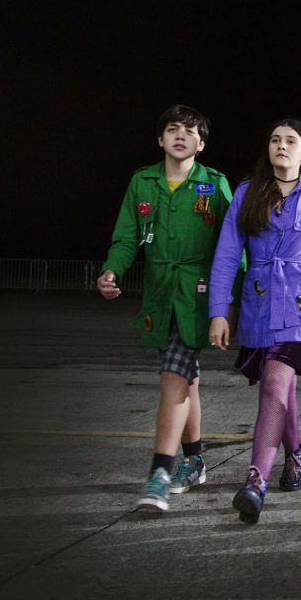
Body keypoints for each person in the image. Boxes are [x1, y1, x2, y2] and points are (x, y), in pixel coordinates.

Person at [208, 118, 301, 524]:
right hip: (261, 302)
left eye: (291, 141)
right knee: (283, 386)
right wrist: (219, 311)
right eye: (275, 139)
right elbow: (227, 255)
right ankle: (294, 453)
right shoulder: (247, 193)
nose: (281, 145)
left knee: (274, 380)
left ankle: (255, 480)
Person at [97, 104, 234, 512]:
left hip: (198, 297)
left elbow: (233, 247)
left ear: (201, 144)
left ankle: (159, 472)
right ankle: (195, 461)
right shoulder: (142, 182)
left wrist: (227, 305)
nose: (180, 135)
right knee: (186, 381)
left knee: (174, 374)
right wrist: (111, 271)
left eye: (190, 131)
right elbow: (127, 238)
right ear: (160, 139)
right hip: (159, 296)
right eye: (173, 129)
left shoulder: (214, 184)